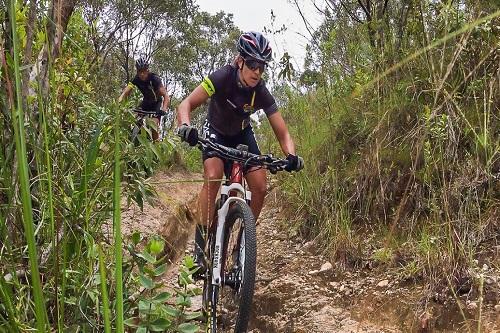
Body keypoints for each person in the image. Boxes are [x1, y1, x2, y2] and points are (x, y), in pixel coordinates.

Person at [176, 31, 304, 269]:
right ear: (240, 61)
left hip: (242, 135)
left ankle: (243, 245)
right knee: (213, 176)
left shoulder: (260, 91)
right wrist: (185, 126)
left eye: (262, 67)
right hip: (215, 131)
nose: (257, 71)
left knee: (260, 186)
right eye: (253, 64)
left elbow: (282, 131)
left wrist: (291, 156)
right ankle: (201, 247)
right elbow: (186, 104)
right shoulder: (222, 77)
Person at [118, 57, 170, 141]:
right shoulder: (137, 79)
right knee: (133, 119)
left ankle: (156, 146)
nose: (142, 74)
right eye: (139, 71)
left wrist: (163, 109)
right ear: (137, 71)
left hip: (156, 104)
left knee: (154, 125)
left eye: (144, 71)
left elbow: (166, 96)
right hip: (146, 102)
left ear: (147, 70)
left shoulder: (154, 79)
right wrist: (119, 101)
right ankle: (130, 142)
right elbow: (126, 92)